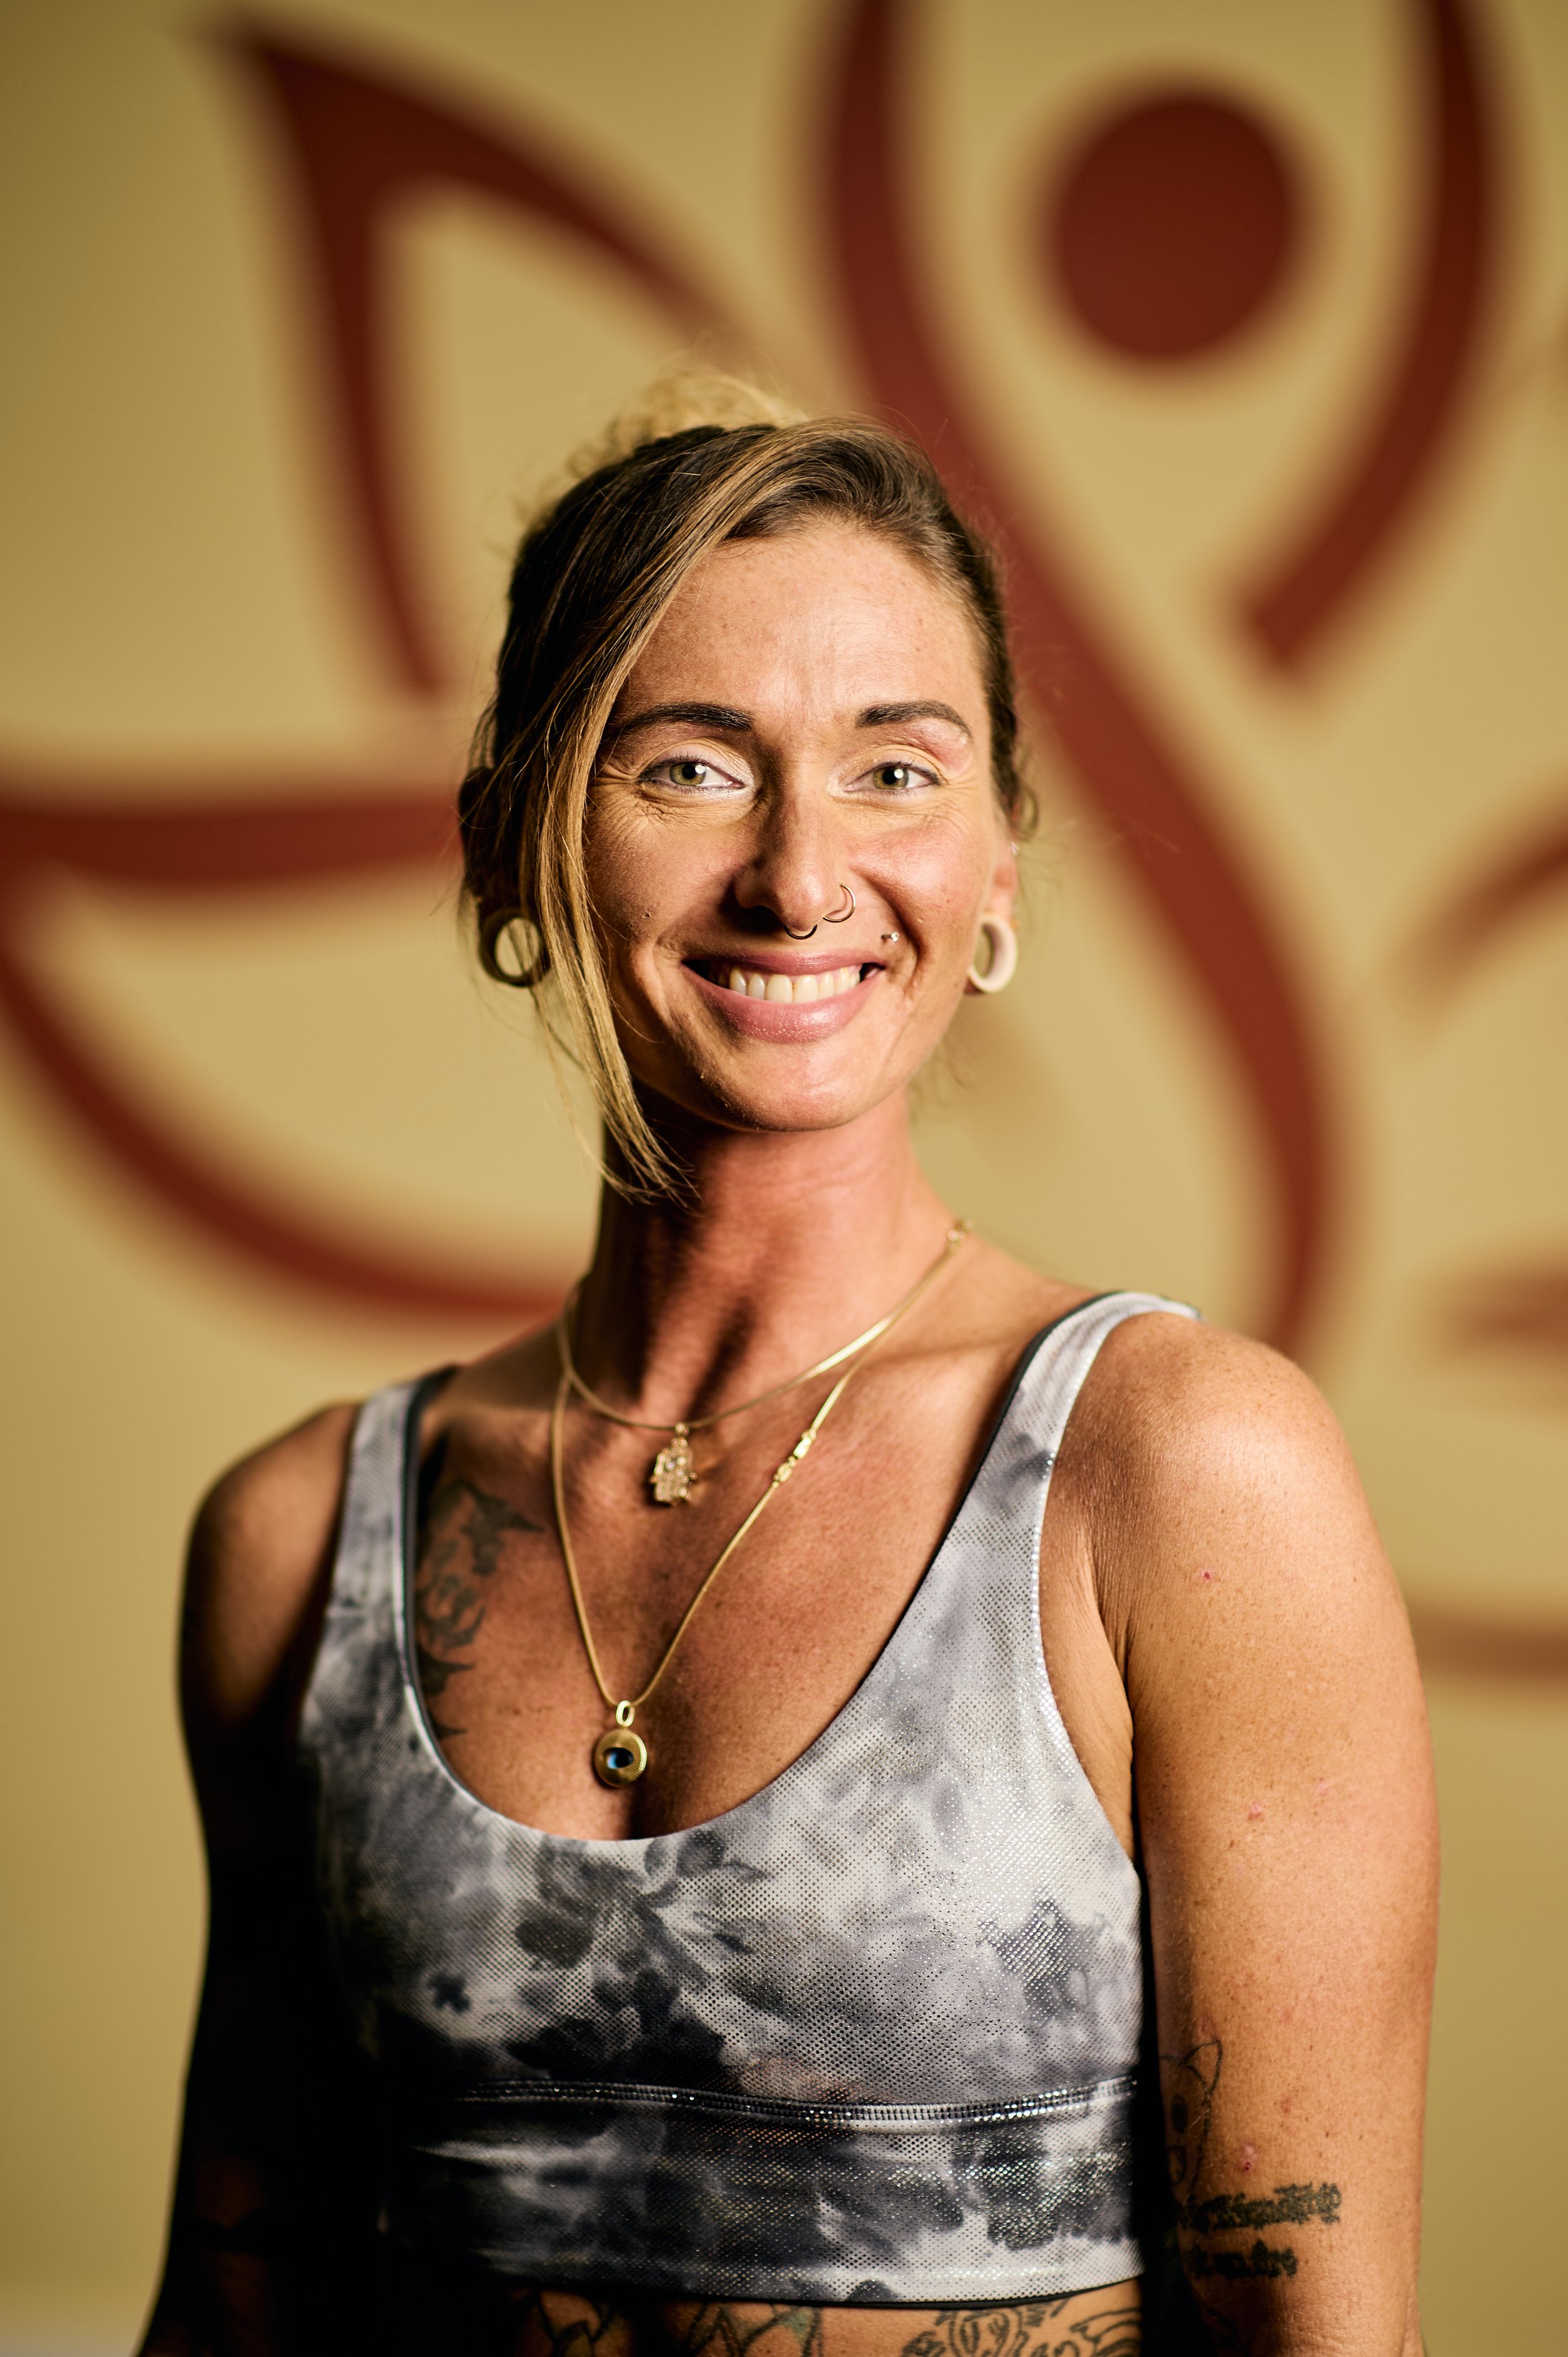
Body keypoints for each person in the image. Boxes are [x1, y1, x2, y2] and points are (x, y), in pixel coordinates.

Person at [140, 388, 1437, 2357]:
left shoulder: (1173, 1473)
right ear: (508, 847)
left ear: (1002, 859)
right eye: (686, 765)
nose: (799, 874)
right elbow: (234, 2310)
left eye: (897, 772)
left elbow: (1314, 2331)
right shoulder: (301, 1536)